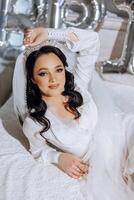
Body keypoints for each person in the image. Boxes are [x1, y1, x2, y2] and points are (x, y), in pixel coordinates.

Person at [13, 27, 134, 199]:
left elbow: (92, 41)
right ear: (33, 78)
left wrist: (48, 33)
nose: (54, 79)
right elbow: (38, 151)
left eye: (59, 69)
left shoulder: (78, 87)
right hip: (99, 163)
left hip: (124, 131)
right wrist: (59, 158)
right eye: (43, 73)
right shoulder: (35, 122)